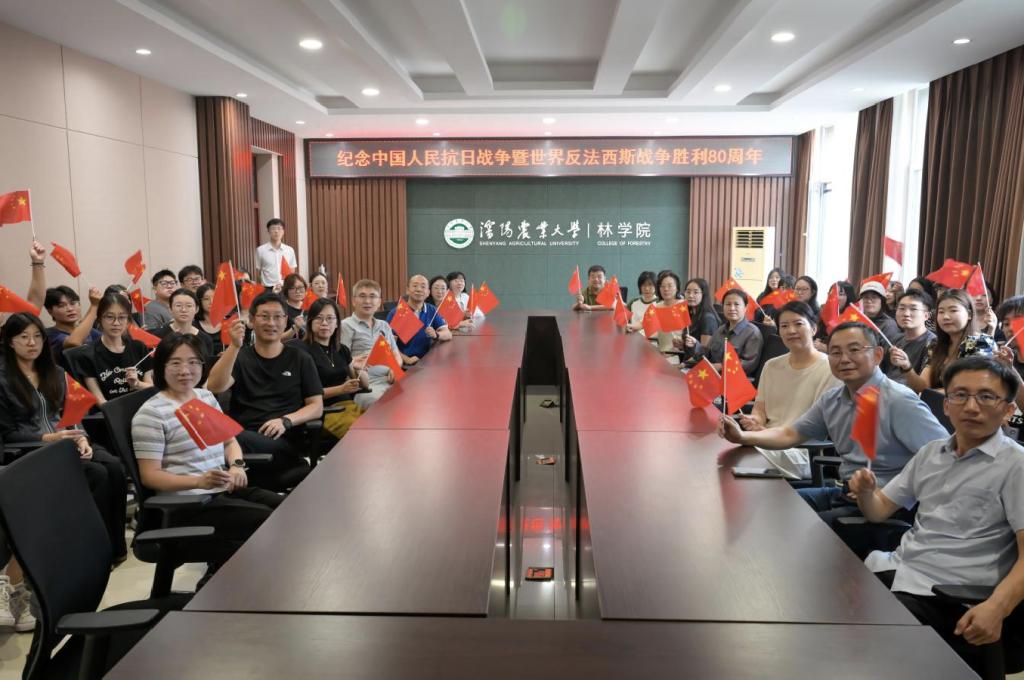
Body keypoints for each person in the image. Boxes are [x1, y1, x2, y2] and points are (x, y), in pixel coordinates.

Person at [852, 356, 1024, 676]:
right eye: (960, 395)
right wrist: (865, 493)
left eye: (986, 397)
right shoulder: (931, 453)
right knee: (829, 601)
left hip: (953, 595)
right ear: (946, 405)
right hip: (900, 571)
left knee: (862, 644)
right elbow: (878, 511)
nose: (971, 407)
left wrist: (997, 607)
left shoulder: (1016, 465)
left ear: (1008, 410)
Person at [718, 322, 949, 550]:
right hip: (843, 493)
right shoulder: (833, 399)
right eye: (836, 352)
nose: (844, 359)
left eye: (854, 350)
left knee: (797, 532)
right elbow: (791, 433)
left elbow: (944, 458)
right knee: (768, 508)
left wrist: (890, 494)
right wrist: (742, 437)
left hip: (886, 506)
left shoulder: (899, 401)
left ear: (878, 355)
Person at [132, 333, 282, 568]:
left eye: (193, 362)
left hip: (221, 490)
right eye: (175, 363)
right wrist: (199, 481)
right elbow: (150, 476)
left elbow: (229, 441)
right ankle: (222, 581)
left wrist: (237, 466)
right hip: (190, 505)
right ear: (161, 367)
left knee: (288, 509)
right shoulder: (152, 414)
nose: (185, 370)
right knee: (271, 524)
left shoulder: (204, 396)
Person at [0, 312, 129, 563]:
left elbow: (71, 414)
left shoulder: (55, 372)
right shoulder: (4, 380)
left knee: (114, 467)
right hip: (32, 448)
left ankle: (115, 549)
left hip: (66, 439)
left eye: (37, 336)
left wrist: (81, 438)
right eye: (24, 337)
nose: (32, 343)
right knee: (96, 474)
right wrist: (49, 438)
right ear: (10, 342)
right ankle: (91, 549)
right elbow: (7, 433)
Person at [206, 292, 323, 491]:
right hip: (244, 438)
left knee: (223, 437)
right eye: (264, 316)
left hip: (282, 441)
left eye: (277, 317)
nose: (271, 323)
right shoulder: (241, 357)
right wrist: (234, 347)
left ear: (285, 320)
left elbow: (316, 406)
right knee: (222, 435)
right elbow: (215, 386)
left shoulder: (300, 358)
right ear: (251, 321)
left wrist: (286, 421)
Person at [739, 302, 839, 430]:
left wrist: (767, 434)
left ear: (814, 329)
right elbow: (760, 409)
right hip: (765, 436)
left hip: (801, 441)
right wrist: (755, 420)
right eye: (784, 326)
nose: (791, 331)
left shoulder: (829, 368)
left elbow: (819, 425)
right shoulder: (771, 366)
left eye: (798, 324)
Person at [289, 298, 368, 439]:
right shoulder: (301, 350)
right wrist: (341, 389)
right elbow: (304, 393)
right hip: (324, 411)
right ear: (310, 322)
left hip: (350, 407)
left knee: (381, 428)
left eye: (330, 318)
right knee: (363, 436)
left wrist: (359, 370)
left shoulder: (341, 349)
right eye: (319, 318)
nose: (324, 323)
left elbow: (365, 385)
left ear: (337, 323)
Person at [905, 289, 995, 393]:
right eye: (941, 312)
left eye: (953, 310)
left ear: (969, 314)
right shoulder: (935, 344)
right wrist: (906, 367)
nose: (946, 317)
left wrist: (929, 396)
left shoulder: (981, 342)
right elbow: (922, 387)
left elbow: (970, 388)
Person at [339, 279, 403, 409]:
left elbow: (396, 355)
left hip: (392, 379)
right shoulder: (346, 326)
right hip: (367, 384)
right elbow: (342, 361)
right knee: (385, 406)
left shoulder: (384, 325)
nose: (367, 301)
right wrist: (353, 361)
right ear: (354, 301)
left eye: (372, 296)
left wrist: (395, 368)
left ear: (379, 302)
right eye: (362, 296)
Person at [80, 293, 154, 404]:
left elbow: (151, 389)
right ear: (99, 319)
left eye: (122, 317)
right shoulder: (89, 354)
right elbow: (100, 401)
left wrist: (137, 384)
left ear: (128, 320)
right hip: (110, 412)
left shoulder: (139, 347)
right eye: (110, 317)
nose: (116, 323)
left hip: (143, 408)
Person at [694, 289, 763, 377]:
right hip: (711, 375)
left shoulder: (753, 333)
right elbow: (707, 353)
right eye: (728, 304)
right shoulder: (721, 329)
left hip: (733, 379)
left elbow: (748, 365)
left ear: (745, 308)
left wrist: (721, 366)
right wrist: (694, 345)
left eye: (736, 304)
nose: (732, 308)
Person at [386, 274, 452, 364]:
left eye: (423, 287)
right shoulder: (397, 313)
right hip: (406, 363)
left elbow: (448, 334)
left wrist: (436, 334)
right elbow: (389, 344)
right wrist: (406, 359)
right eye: (415, 286)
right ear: (407, 290)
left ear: (428, 292)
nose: (419, 289)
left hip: (428, 360)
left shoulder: (431, 309)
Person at [42, 284, 102, 369]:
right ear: (50, 311)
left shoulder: (90, 332)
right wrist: (95, 306)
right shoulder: (49, 334)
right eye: (61, 305)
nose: (70, 309)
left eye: (73, 303)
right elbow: (74, 342)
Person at [885, 289, 937, 386]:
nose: (906, 314)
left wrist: (906, 366)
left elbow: (924, 387)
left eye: (913, 309)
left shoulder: (933, 343)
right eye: (901, 308)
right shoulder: (894, 340)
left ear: (926, 315)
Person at [152, 288, 214, 360]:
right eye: (178, 305)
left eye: (189, 306)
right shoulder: (158, 336)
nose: (183, 310)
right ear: (170, 309)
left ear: (197, 309)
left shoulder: (205, 339)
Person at [680, 277, 720, 364]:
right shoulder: (690, 314)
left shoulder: (707, 318)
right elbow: (692, 347)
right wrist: (681, 344)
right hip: (688, 361)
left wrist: (684, 365)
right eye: (688, 292)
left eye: (695, 292)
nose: (691, 295)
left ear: (703, 294)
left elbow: (704, 353)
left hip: (698, 366)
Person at [652, 270, 686, 363]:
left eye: (670, 286)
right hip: (662, 354)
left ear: (677, 287)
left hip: (678, 355)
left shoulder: (684, 306)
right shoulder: (657, 306)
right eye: (662, 286)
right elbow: (645, 323)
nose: (666, 289)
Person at [255, 218, 297, 289]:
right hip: (268, 288)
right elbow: (258, 271)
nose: (276, 231)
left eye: (279, 228)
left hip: (285, 287)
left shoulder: (289, 250)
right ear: (268, 231)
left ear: (283, 231)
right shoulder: (261, 250)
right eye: (273, 229)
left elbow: (292, 270)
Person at [193, 282, 224, 355]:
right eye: (206, 299)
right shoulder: (193, 326)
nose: (211, 302)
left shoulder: (229, 323)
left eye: (215, 298)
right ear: (199, 302)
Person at [281, 273, 309, 339]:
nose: (298, 291)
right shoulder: (282, 309)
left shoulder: (309, 307)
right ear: (286, 290)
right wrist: (295, 328)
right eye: (293, 288)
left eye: (300, 287)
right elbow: (278, 338)